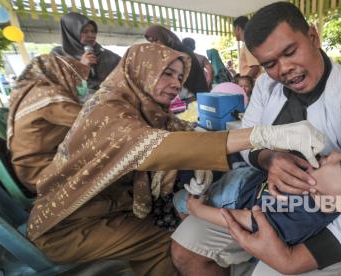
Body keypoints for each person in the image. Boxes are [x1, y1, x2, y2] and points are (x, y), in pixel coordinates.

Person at [27, 43, 323, 276]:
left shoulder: (148, 110)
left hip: (112, 208)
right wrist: (263, 136)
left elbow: (187, 133)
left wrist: (222, 156)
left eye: (180, 77)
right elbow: (157, 147)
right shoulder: (108, 111)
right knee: (172, 243)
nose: (176, 83)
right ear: (140, 69)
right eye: (166, 73)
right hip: (71, 223)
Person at [171, 2, 341, 276]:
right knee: (186, 248)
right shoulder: (265, 87)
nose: (284, 69)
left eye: (290, 52)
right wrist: (268, 158)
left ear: (313, 36)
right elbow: (246, 141)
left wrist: (293, 259)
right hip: (262, 203)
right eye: (270, 64)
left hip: (326, 225)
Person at [174, 141, 341, 248]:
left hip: (228, 198)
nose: (333, 153)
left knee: (180, 199)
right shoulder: (320, 186)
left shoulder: (303, 218)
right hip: (246, 178)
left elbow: (246, 219)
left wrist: (198, 211)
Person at [7, 54, 90, 192]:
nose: (80, 84)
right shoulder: (50, 96)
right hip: (39, 171)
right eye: (76, 78)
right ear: (62, 73)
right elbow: (91, 120)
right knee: (107, 162)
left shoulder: (34, 93)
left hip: (28, 168)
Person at [51, 12, 120, 102]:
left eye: (93, 31)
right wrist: (81, 66)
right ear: (71, 32)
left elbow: (125, 66)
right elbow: (56, 85)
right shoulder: (58, 55)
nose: (91, 35)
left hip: (106, 101)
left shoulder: (105, 54)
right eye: (85, 31)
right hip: (73, 104)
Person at [144, 25, 208, 96]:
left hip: (191, 92)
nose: (154, 44)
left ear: (164, 37)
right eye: (151, 42)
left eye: (156, 40)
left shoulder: (181, 51)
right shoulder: (167, 52)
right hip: (180, 93)